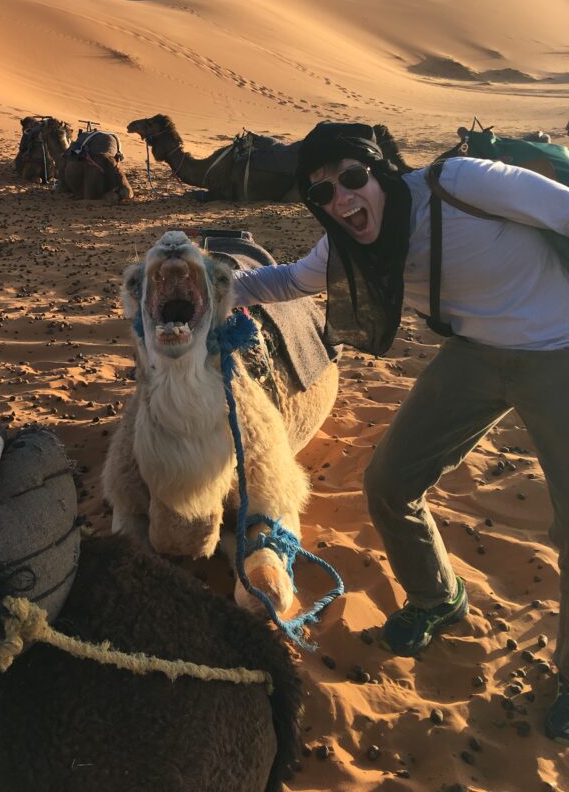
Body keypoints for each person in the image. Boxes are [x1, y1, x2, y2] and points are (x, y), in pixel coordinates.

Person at [231, 121, 569, 743]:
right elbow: (283, 282)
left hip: (559, 350)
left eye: (352, 178)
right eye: (322, 193)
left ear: (379, 171)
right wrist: (207, 285)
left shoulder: (462, 184)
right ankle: (437, 596)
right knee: (390, 481)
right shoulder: (345, 247)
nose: (341, 199)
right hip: (476, 357)